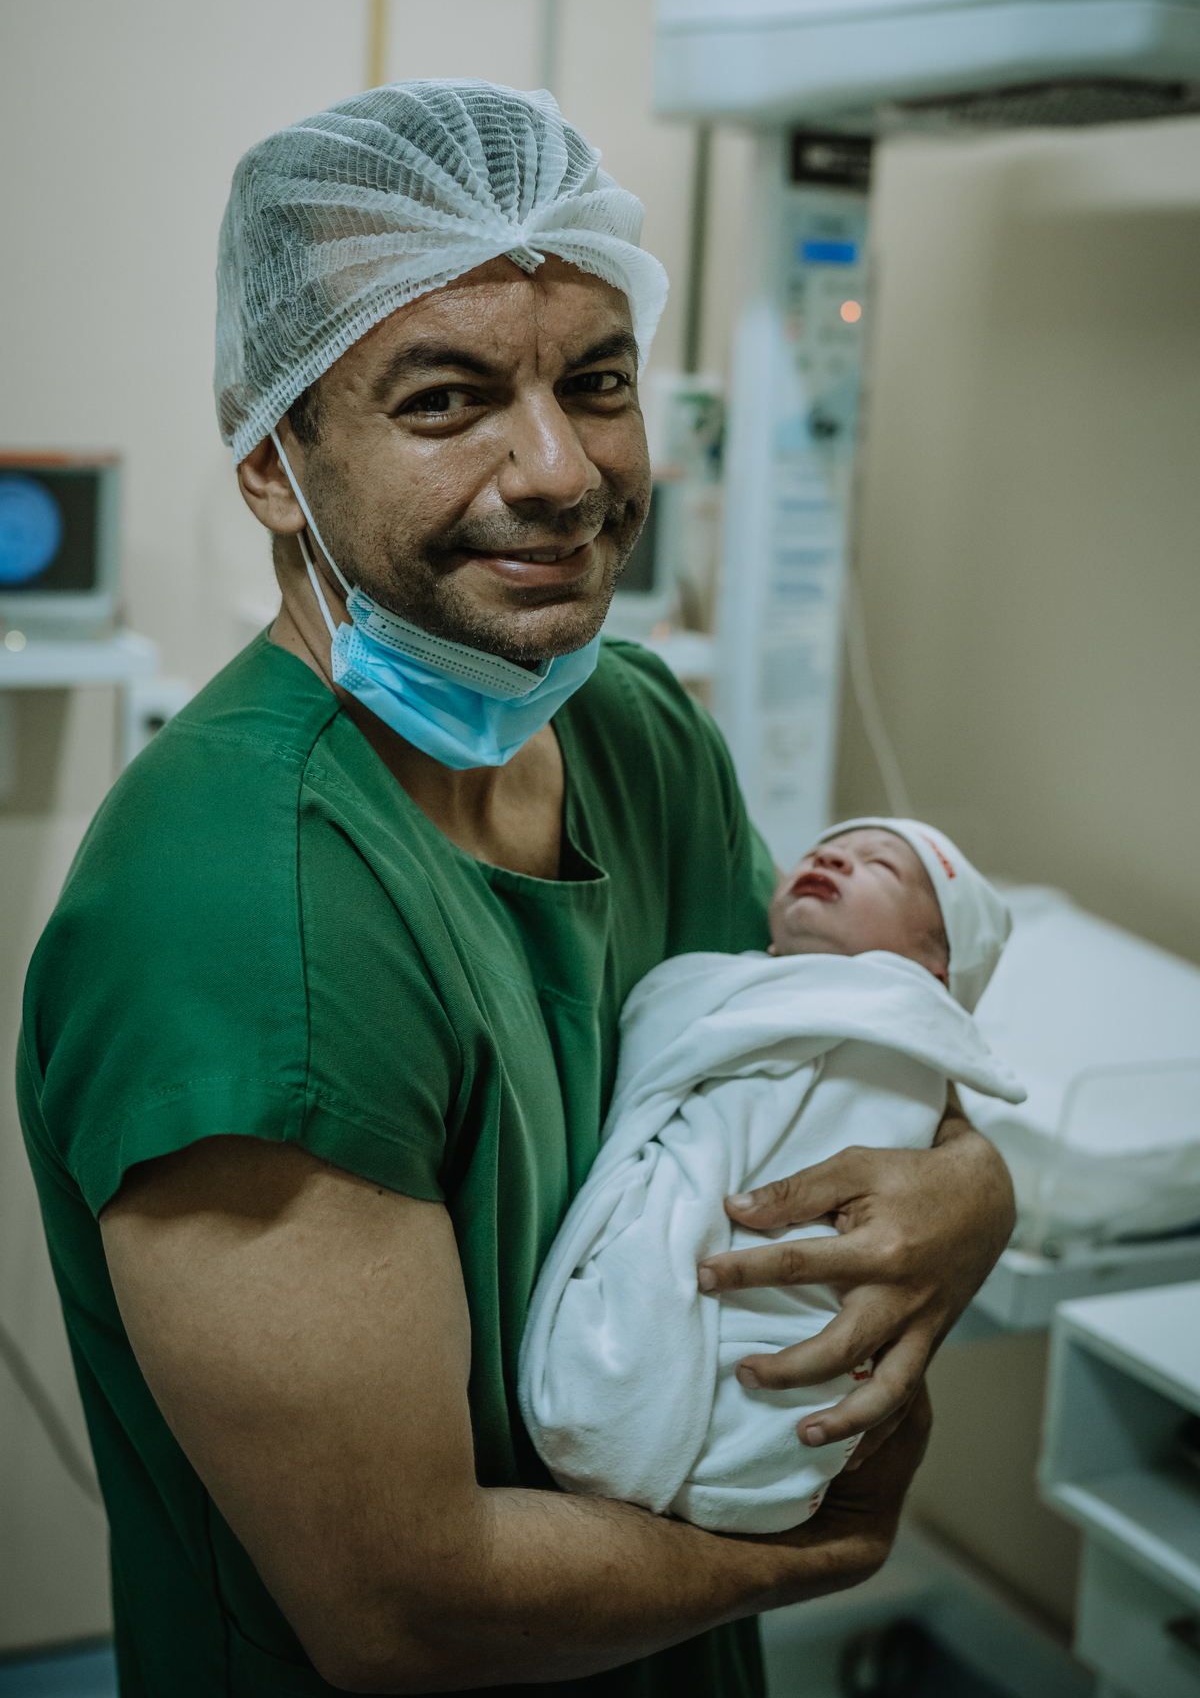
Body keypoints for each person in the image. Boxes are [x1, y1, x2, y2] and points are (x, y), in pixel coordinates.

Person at [18, 82, 1014, 1698]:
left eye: (597, 382)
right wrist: (826, 1553)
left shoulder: (639, 732)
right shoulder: (235, 914)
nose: (558, 470)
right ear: (272, 460)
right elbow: (405, 1608)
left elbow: (808, 1065)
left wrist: (974, 1185)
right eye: (446, 399)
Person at [521, 821, 1025, 1534]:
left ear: (934, 962)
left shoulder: (898, 1022)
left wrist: (986, 1190)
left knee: (774, 1333)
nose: (832, 855)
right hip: (699, 1210)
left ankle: (712, 1431)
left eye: (881, 866)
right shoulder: (715, 983)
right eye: (823, 849)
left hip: (779, 1270)